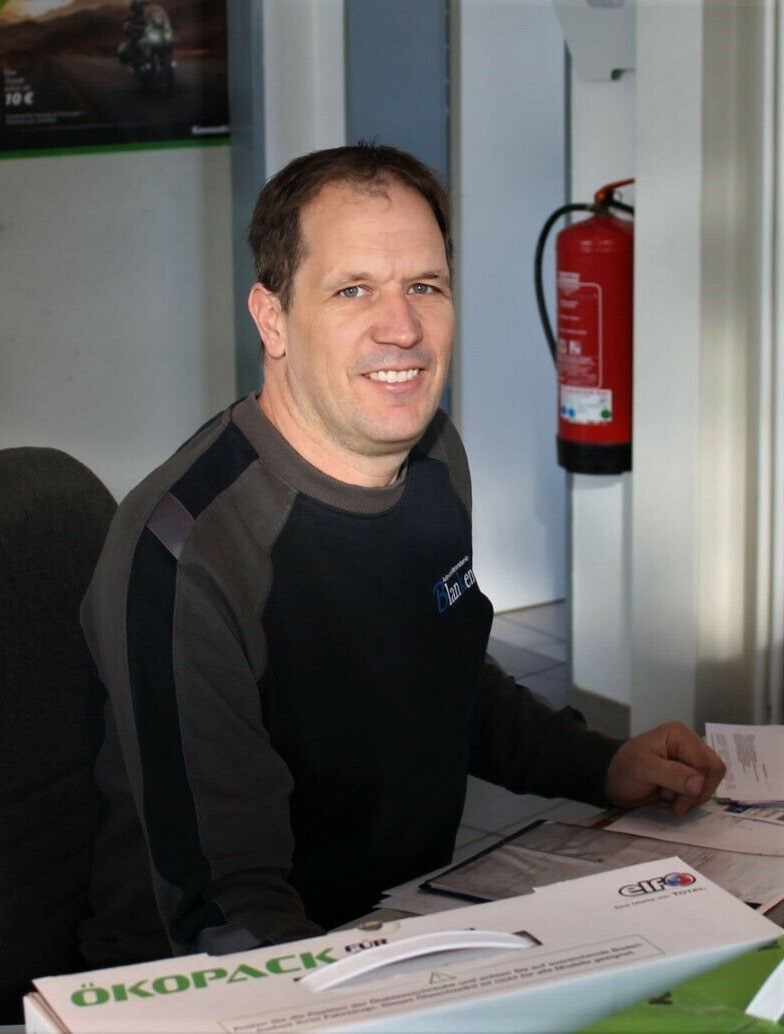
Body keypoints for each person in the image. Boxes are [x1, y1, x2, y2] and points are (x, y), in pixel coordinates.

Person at [78, 143, 725, 967]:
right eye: (352, 290)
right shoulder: (186, 553)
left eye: (425, 286)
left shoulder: (431, 458)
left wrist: (605, 765)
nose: (403, 330)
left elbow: (445, 679)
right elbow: (226, 911)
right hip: (231, 978)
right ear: (272, 319)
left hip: (394, 926)